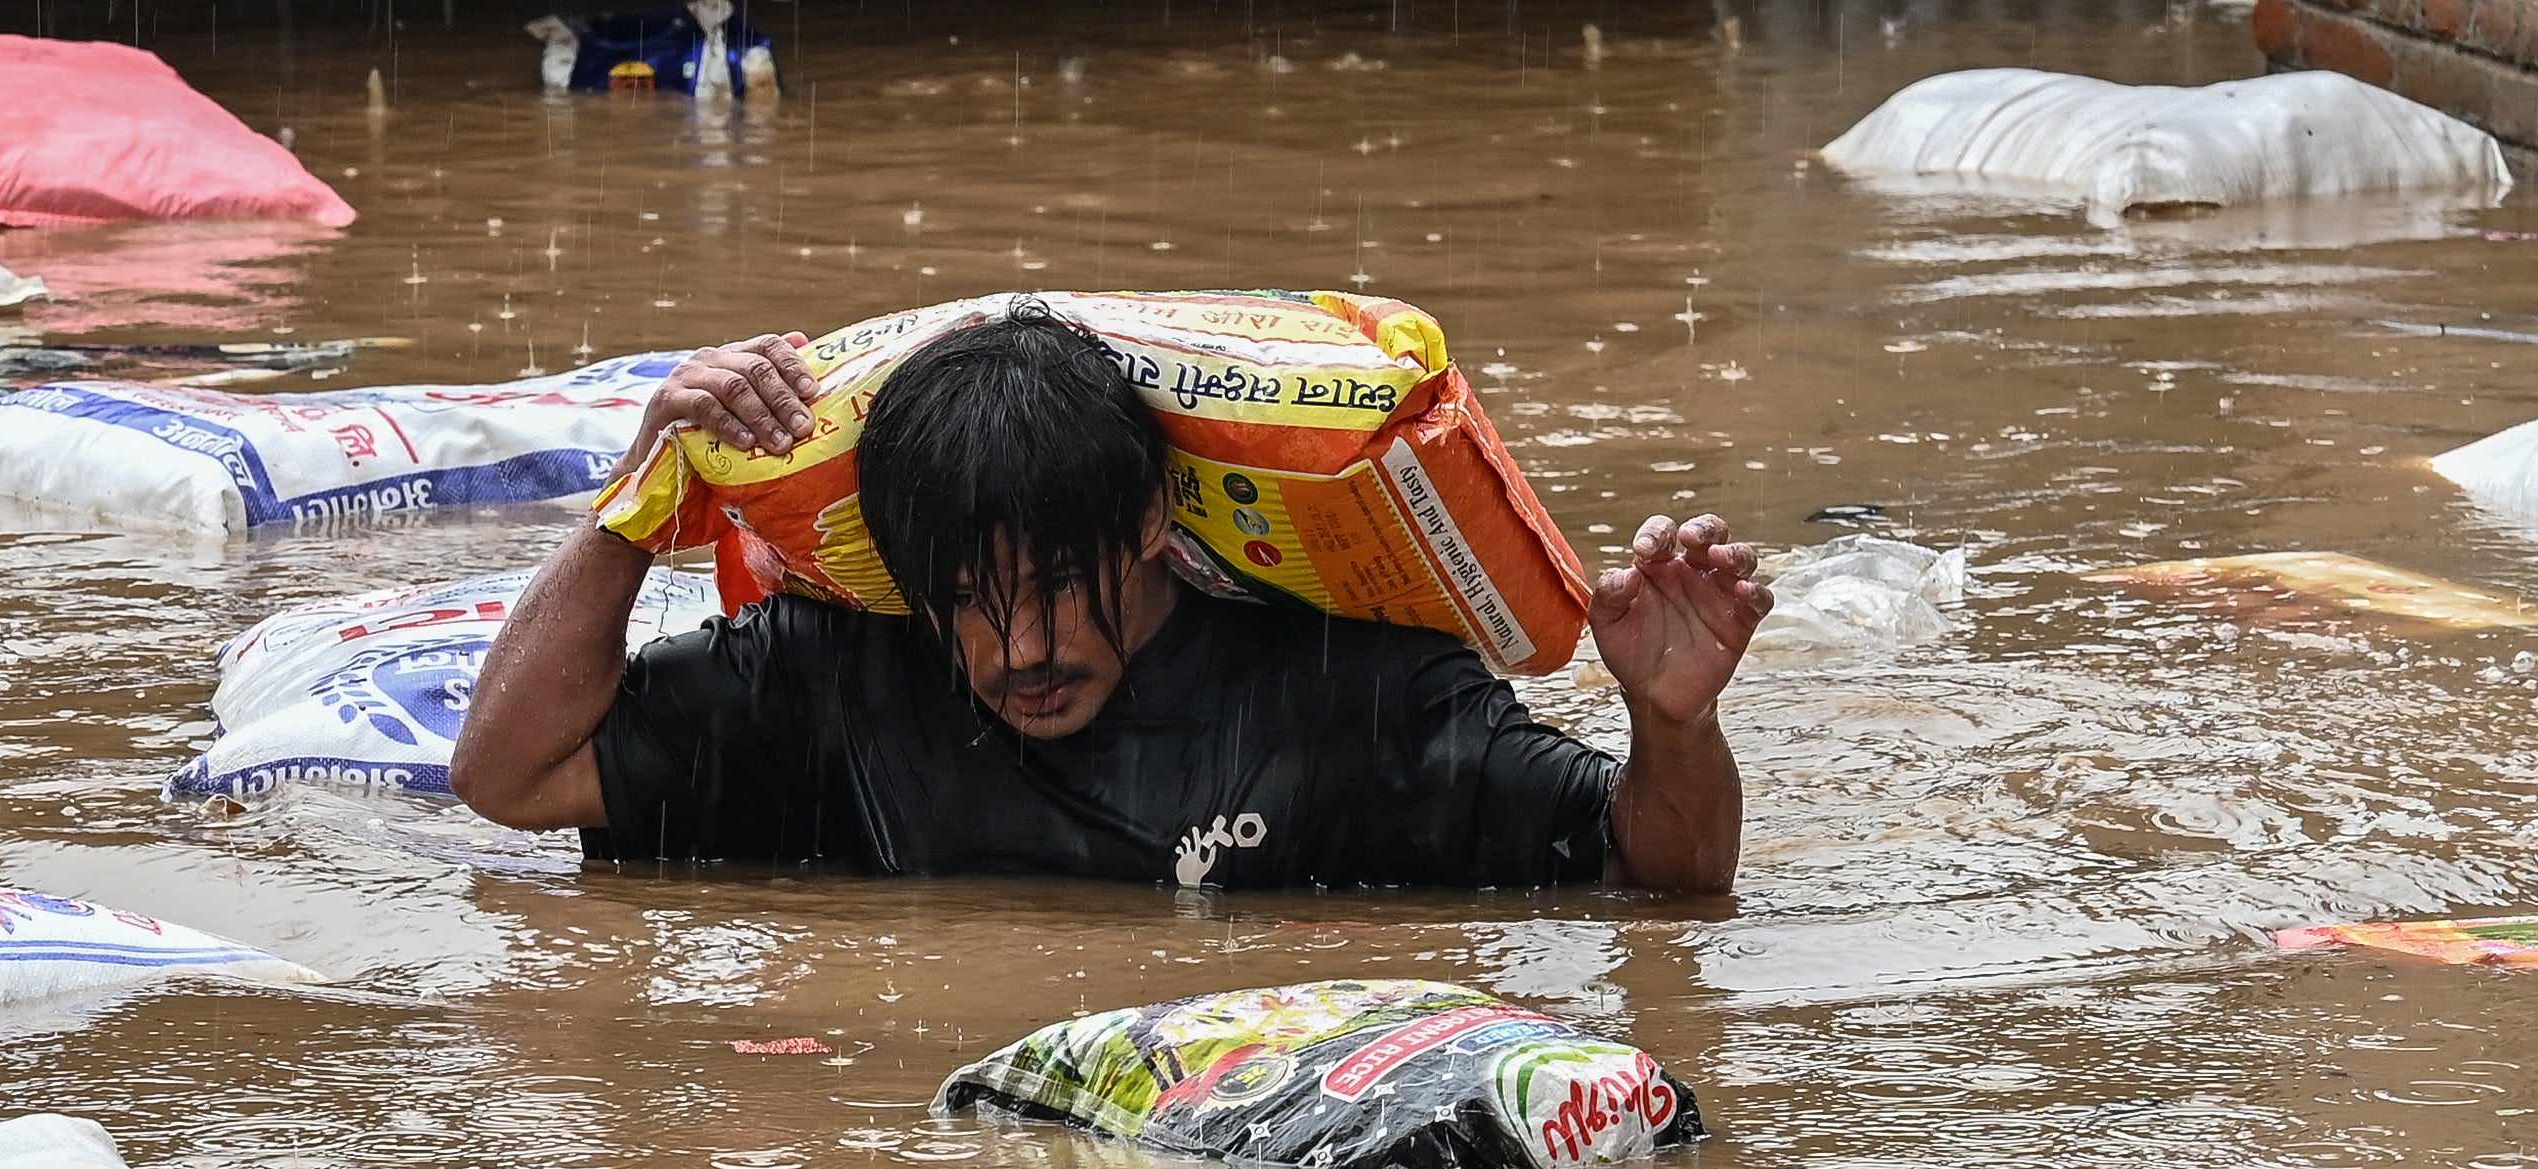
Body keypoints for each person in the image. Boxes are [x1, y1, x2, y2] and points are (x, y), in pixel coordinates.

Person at [451, 299, 1769, 894]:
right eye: (966, 600)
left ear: (1150, 522)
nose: (1018, 646)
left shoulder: (1350, 698)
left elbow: (1666, 878)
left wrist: (1668, 722)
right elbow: (508, 774)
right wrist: (636, 500)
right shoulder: (833, 681)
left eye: (1051, 587)